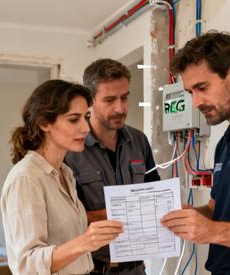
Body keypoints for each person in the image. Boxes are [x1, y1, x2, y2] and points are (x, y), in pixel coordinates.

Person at [161, 31, 230, 274]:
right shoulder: (227, 141)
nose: (196, 103)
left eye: (202, 87)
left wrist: (212, 232)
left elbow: (217, 228)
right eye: (190, 92)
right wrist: (191, 215)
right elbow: (216, 208)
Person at [1, 79, 124, 274]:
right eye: (74, 119)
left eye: (86, 117)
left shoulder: (65, 173)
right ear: (44, 123)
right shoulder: (26, 178)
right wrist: (85, 242)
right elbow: (27, 265)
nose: (85, 128)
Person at [64, 59, 159, 275]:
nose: (120, 108)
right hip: (93, 269)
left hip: (136, 268)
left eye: (124, 97)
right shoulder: (71, 150)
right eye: (109, 100)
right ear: (90, 101)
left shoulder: (139, 141)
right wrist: (111, 216)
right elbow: (65, 218)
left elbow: (153, 196)